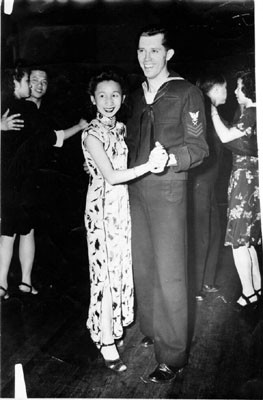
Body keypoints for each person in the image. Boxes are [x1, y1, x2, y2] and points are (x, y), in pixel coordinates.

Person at [126, 25, 209, 383]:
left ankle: (173, 355)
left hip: (169, 190)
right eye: (142, 50)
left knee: (171, 273)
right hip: (136, 192)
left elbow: (199, 148)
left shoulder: (186, 92)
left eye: (154, 51)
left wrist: (171, 159)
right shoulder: (134, 94)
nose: (147, 58)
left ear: (168, 54)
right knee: (143, 266)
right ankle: (153, 328)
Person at [81, 69, 168, 373]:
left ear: (122, 98)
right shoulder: (91, 134)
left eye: (114, 94)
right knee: (104, 275)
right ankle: (106, 341)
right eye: (102, 95)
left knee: (118, 270)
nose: (108, 100)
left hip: (121, 209)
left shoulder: (119, 128)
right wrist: (149, 166)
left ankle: (111, 331)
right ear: (92, 99)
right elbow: (113, 176)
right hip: (101, 211)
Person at [0, 66, 88, 300]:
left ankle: (8, 284)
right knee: (22, 230)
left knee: (13, 231)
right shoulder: (25, 108)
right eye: (30, 79)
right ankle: (23, 283)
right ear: (17, 82)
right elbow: (53, 138)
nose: (35, 84)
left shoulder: (17, 107)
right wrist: (79, 127)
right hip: (21, 180)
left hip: (16, 180)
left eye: (42, 81)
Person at [207, 69, 261, 310]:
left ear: (250, 89)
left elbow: (227, 137)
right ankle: (257, 287)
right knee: (247, 240)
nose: (236, 92)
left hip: (244, 180)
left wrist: (212, 110)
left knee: (239, 241)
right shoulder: (251, 113)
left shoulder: (251, 112)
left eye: (239, 87)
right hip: (252, 178)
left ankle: (248, 293)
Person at [188, 73, 227, 301]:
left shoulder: (213, 112)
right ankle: (195, 287)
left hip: (210, 183)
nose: (227, 92)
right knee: (202, 233)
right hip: (200, 181)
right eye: (224, 88)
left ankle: (207, 280)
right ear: (213, 89)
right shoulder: (200, 113)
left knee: (214, 231)